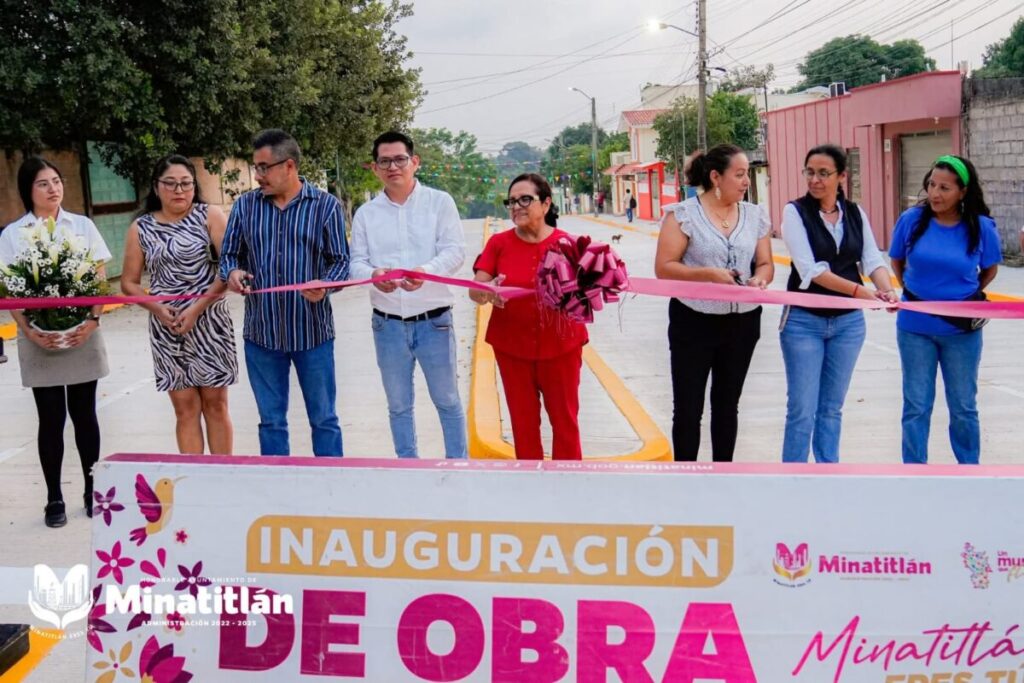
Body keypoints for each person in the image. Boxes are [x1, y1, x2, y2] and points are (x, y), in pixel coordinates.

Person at [220, 129, 350, 457]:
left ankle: (331, 481)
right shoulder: (245, 206)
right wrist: (233, 273)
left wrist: (326, 285)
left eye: (264, 167)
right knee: (271, 422)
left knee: (324, 419)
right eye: (256, 167)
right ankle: (277, 483)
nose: (257, 176)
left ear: (289, 166)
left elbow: (341, 262)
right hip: (262, 335)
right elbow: (229, 256)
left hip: (313, 334)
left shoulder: (325, 206)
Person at [0, 157, 111, 527]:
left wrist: (92, 321)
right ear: (28, 190)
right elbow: (9, 290)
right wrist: (28, 330)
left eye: (57, 181)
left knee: (85, 415)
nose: (53, 188)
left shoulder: (82, 226)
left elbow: (99, 279)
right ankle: (53, 498)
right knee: (50, 419)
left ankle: (92, 491)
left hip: (83, 332)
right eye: (43, 183)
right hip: (38, 336)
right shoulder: (13, 234)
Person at [350, 131, 467, 459]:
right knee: (398, 405)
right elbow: (356, 263)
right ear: (375, 168)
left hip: (434, 322)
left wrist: (425, 271)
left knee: (447, 400)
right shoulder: (366, 214)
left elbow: (455, 251)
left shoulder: (439, 203)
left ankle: (458, 466)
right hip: (387, 324)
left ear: (414, 162)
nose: (393, 167)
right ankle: (407, 467)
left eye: (400, 159)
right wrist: (374, 277)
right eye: (384, 161)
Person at [654, 144, 774, 462]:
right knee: (688, 408)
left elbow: (765, 263)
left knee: (727, 405)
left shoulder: (755, 215)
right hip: (694, 321)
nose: (746, 181)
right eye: (739, 174)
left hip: (742, 323)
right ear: (716, 177)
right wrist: (707, 275)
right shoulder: (683, 215)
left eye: (747, 174)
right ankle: (686, 477)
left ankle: (723, 475)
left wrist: (760, 279)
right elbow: (664, 267)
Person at [780, 144, 897, 463]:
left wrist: (886, 289)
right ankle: (792, 475)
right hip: (803, 322)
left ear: (841, 176)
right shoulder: (795, 212)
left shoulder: (855, 213)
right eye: (809, 172)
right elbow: (810, 270)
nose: (814, 180)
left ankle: (827, 471)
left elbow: (872, 258)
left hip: (848, 325)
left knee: (832, 407)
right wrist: (860, 292)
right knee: (802, 407)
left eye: (823, 173)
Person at [122, 155, 238, 455]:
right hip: (168, 326)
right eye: (170, 183)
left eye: (186, 183)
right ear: (156, 187)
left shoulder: (210, 215)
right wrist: (158, 308)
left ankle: (223, 473)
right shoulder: (141, 227)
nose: (179, 190)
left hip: (210, 322)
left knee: (216, 404)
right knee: (184, 409)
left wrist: (196, 309)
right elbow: (129, 283)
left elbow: (228, 270)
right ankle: (193, 476)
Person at [889, 155, 1001, 465]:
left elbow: (990, 269)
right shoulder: (911, 220)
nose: (935, 193)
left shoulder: (981, 227)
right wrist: (917, 295)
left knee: (963, 406)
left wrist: (963, 296)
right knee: (916, 405)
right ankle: (914, 471)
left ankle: (968, 470)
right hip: (914, 329)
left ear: (962, 192)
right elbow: (896, 260)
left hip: (961, 333)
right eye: (931, 185)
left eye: (945, 188)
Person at [470, 173, 588, 460]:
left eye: (525, 199)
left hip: (562, 347)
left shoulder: (571, 245)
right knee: (523, 425)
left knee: (565, 422)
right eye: (511, 201)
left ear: (546, 204)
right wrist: (489, 290)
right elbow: (476, 289)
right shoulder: (499, 243)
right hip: (512, 348)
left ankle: (570, 482)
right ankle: (529, 483)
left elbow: (590, 292)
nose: (516, 206)